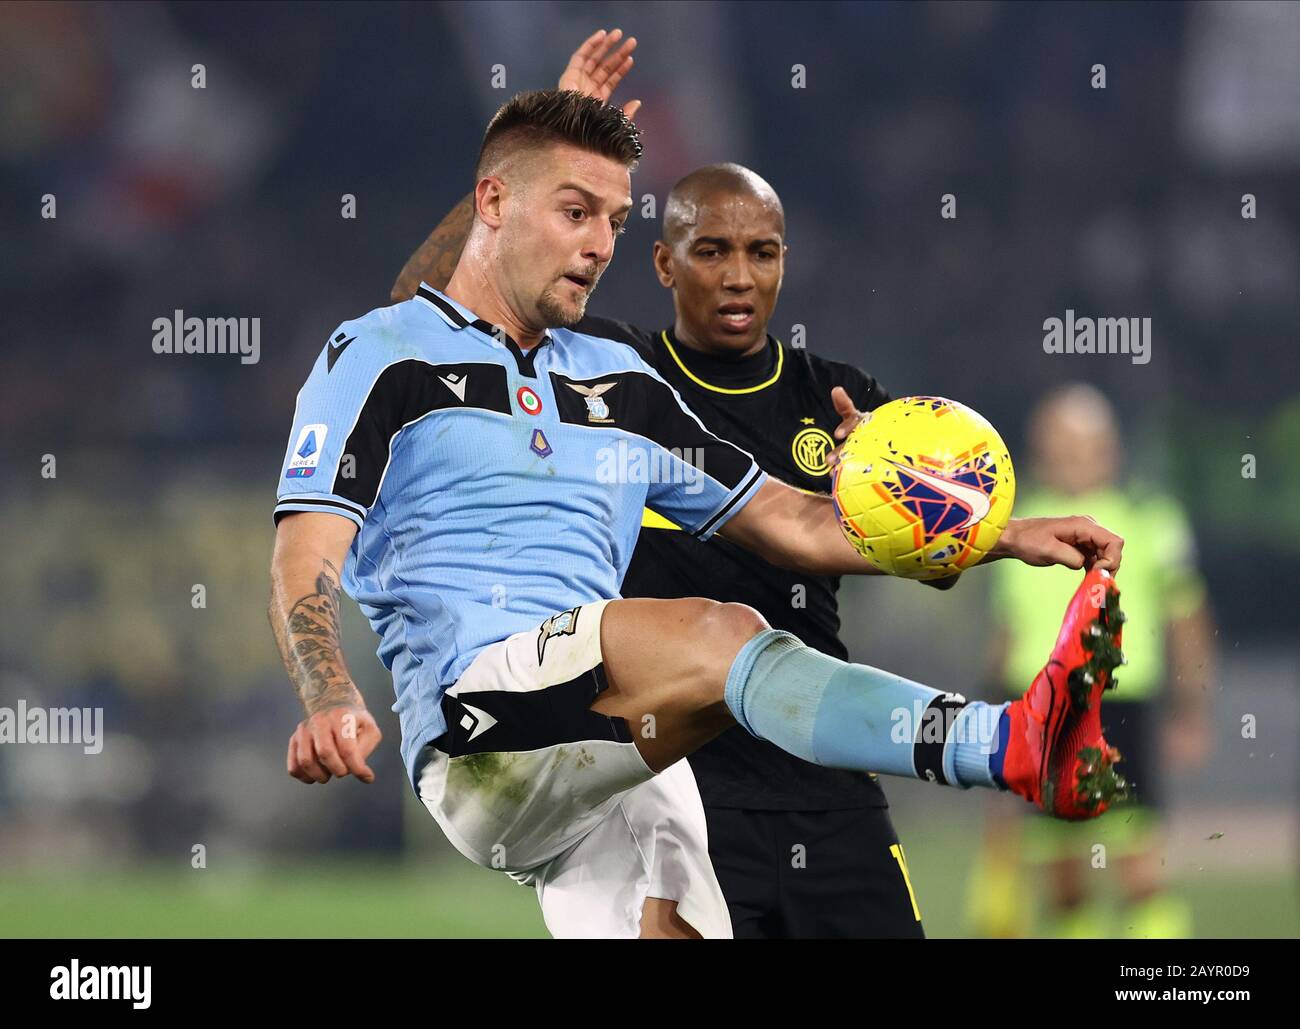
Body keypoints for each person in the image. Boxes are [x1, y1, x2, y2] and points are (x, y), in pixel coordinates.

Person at [270, 86, 1126, 940]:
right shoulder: (380, 355)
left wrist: (997, 535)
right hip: (479, 722)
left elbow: (794, 522)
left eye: (614, 219)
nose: (599, 244)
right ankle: (1003, 742)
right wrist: (329, 691)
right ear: (492, 202)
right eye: (575, 212)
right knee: (724, 632)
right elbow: (304, 551)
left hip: (613, 754)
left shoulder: (620, 378)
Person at [968, 383, 1212, 939]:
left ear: (1112, 450)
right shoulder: (1016, 527)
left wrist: (1190, 710)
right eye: (1060, 445)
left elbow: (1187, 620)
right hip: (1042, 708)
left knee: (1139, 869)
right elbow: (1005, 629)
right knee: (1062, 878)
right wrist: (988, 717)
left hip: (1122, 703)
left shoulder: (1151, 520)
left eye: (1085, 446)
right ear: (1039, 449)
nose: (1073, 457)